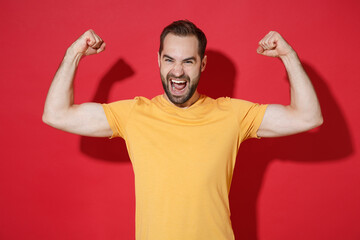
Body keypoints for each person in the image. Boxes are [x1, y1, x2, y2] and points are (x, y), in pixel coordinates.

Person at [43, 20, 323, 240]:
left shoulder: (232, 115)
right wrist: (74, 54)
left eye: (188, 61)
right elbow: (57, 114)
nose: (177, 71)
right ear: (158, 61)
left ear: (202, 64)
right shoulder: (134, 114)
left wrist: (288, 56)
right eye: (169, 59)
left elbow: (307, 117)